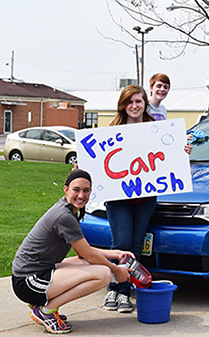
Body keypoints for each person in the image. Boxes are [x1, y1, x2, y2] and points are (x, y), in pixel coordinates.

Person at [103, 84, 192, 313]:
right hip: (119, 198)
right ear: (123, 105)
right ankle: (116, 289)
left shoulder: (158, 130)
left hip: (146, 198)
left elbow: (170, 158)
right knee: (121, 244)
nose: (134, 106)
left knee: (136, 245)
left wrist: (183, 151)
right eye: (130, 101)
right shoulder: (111, 131)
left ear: (145, 104)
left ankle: (126, 292)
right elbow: (98, 162)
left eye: (138, 101)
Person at [11, 169, 133, 334]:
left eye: (86, 190)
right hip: (28, 282)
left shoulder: (67, 209)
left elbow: (85, 252)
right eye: (76, 189)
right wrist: (116, 270)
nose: (81, 195)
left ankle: (44, 307)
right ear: (65, 189)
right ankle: (46, 310)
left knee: (86, 264)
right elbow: (89, 255)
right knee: (103, 274)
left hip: (36, 274)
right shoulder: (64, 217)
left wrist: (117, 253)